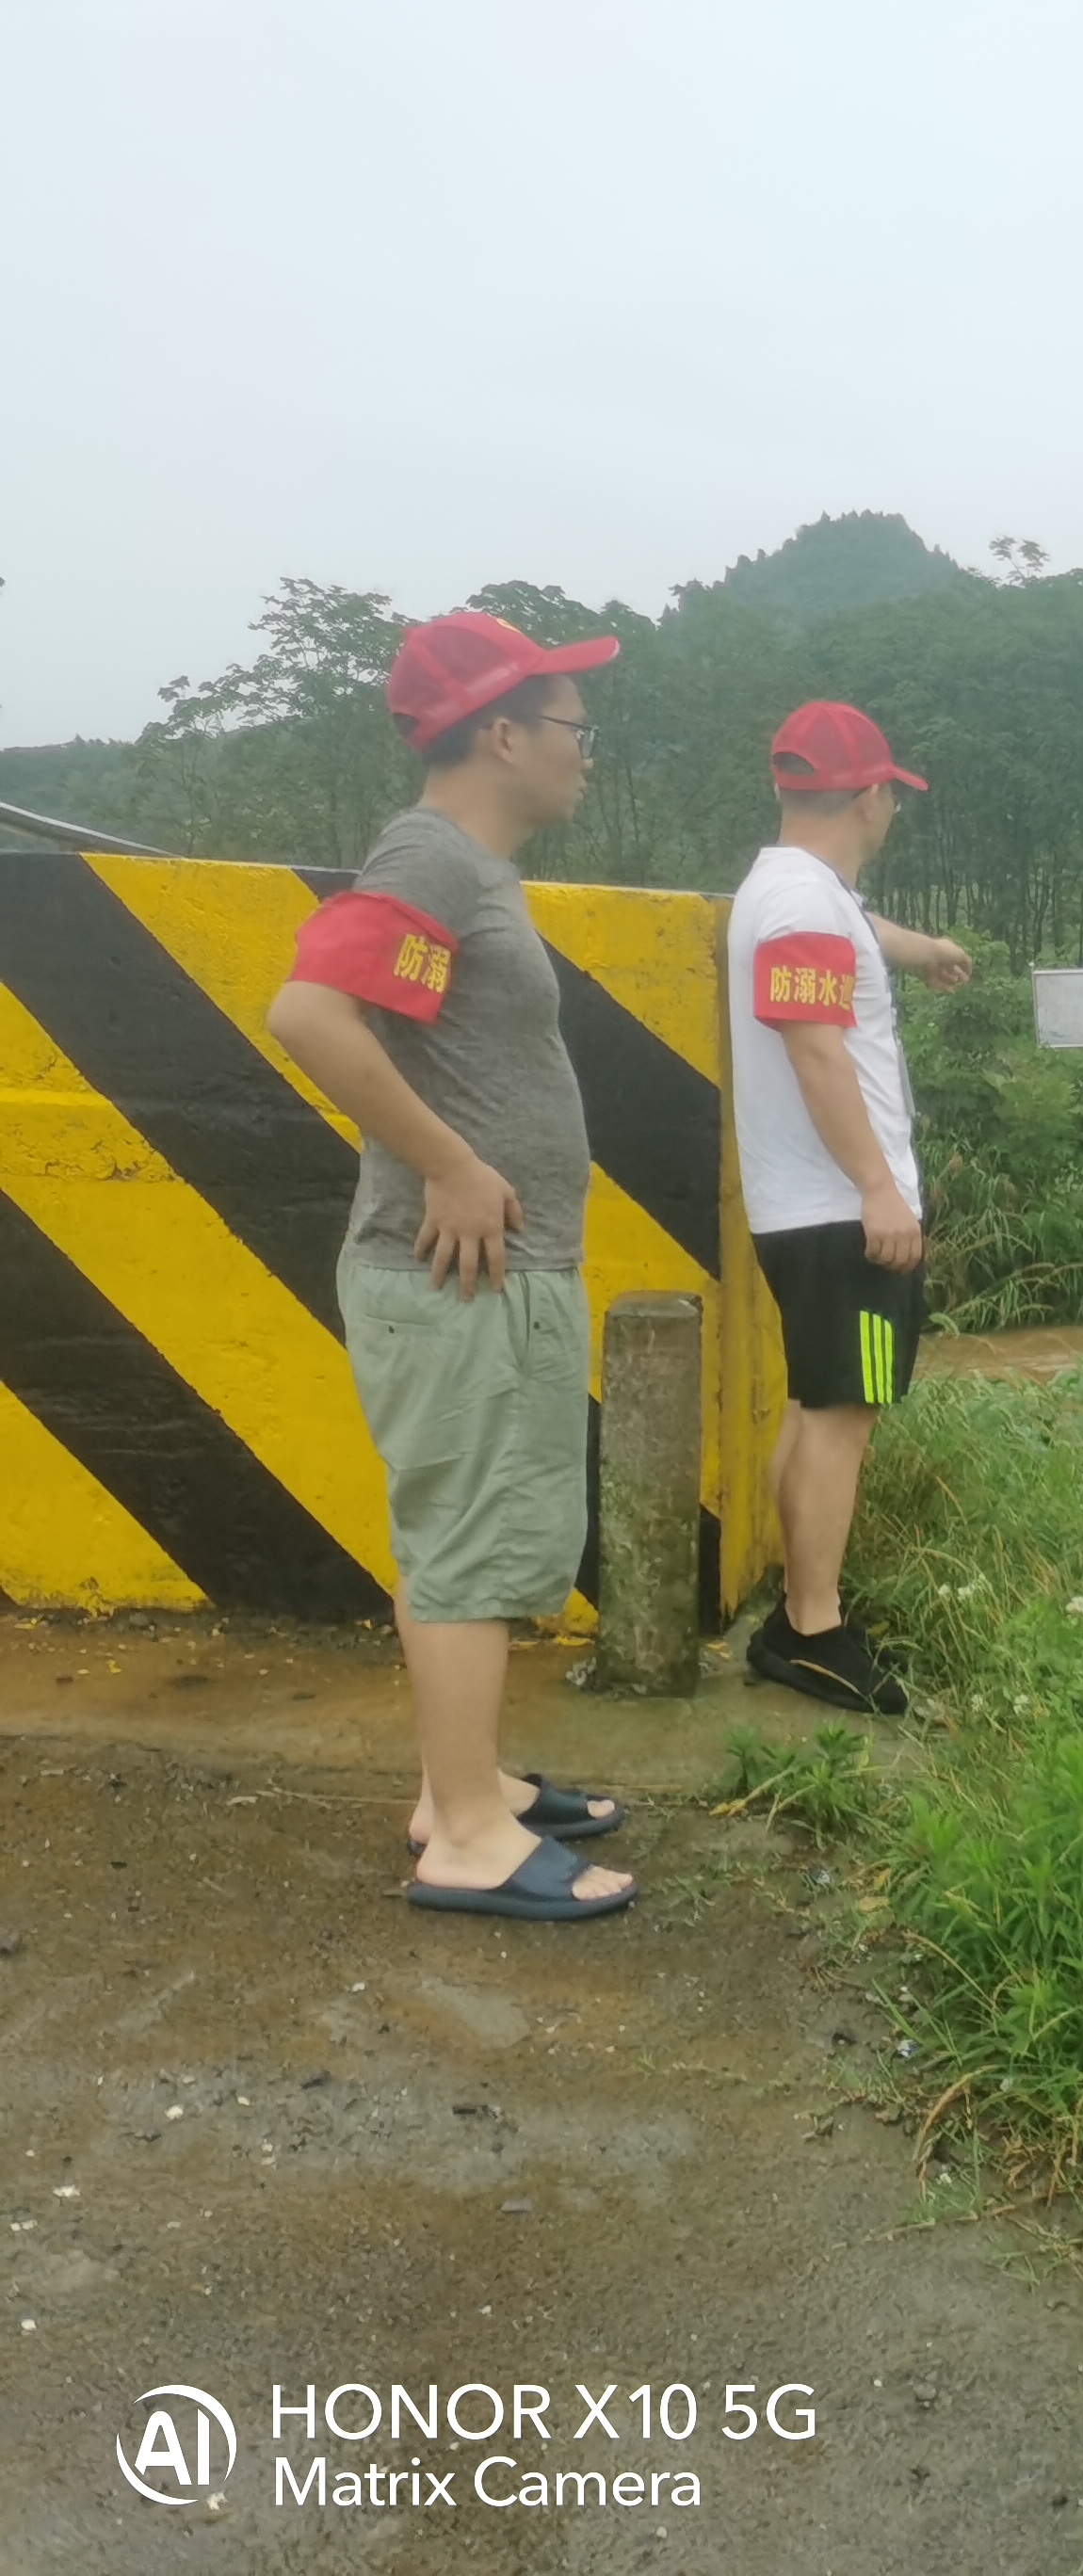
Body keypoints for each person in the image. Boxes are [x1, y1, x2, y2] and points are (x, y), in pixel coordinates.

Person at [267, 611, 637, 1923]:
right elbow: (309, 1010)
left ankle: (461, 1784)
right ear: (501, 732)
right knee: (468, 1541)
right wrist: (451, 1163)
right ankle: (470, 1839)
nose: (586, 753)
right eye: (573, 729)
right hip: (458, 1272)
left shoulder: (465, 869)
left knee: (470, 1531)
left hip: (487, 1277)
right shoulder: (431, 856)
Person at [727, 701, 972, 1715]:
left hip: (809, 1211)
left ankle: (802, 1607)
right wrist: (879, 1188)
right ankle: (812, 1633)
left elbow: (851, 933)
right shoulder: (803, 909)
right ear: (871, 796)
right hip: (842, 1214)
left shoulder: (786, 888)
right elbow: (816, 1048)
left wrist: (914, 949)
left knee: (815, 1405)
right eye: (889, 796)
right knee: (844, 1416)